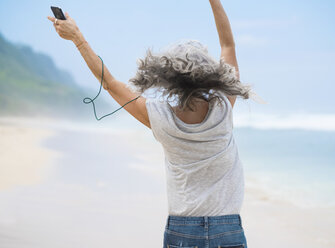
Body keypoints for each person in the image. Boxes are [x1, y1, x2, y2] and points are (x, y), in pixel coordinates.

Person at [48, 1, 266, 247]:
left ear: (168, 76)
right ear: (210, 74)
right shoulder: (224, 107)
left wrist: (77, 38)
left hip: (181, 232)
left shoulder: (159, 117)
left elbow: (108, 83)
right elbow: (228, 44)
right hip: (227, 231)